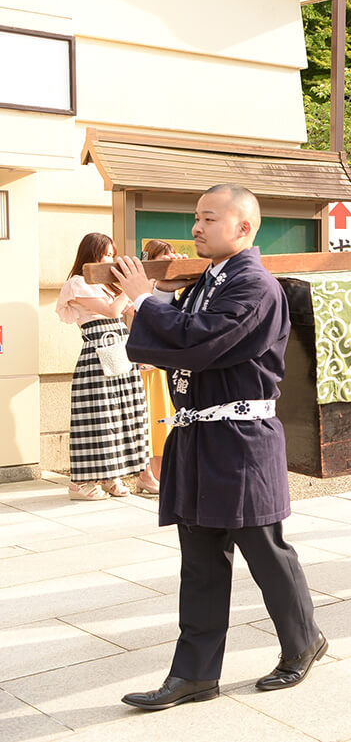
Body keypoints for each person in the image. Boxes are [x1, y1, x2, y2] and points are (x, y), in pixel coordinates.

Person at [114, 184, 325, 710]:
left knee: (265, 551)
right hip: (197, 435)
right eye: (196, 218)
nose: (196, 227)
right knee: (201, 561)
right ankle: (193, 675)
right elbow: (179, 338)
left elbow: (199, 339)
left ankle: (304, 643)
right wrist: (142, 310)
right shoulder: (207, 281)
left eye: (209, 218)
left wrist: (143, 301)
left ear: (243, 227)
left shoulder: (254, 285)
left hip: (241, 440)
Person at [55, 233, 152, 500]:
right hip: (97, 356)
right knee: (97, 416)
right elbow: (111, 311)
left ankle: (112, 475)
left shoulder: (108, 284)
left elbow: (132, 310)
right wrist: (126, 288)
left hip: (122, 351)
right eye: (107, 254)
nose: (111, 259)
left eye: (113, 254)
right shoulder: (77, 283)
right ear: (93, 254)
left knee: (124, 414)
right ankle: (80, 483)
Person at [136, 239, 180, 494]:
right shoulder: (145, 286)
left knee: (165, 420)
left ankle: (158, 473)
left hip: (165, 364)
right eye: (164, 256)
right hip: (149, 366)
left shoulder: (172, 285)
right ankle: (148, 473)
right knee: (152, 419)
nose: (171, 258)